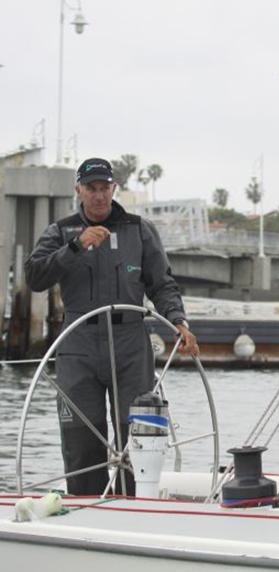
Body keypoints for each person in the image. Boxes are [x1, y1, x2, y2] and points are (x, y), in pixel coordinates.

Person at [25, 157, 199, 496]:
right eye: (92, 188)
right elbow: (35, 276)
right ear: (79, 191)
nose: (100, 195)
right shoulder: (61, 232)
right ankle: (84, 509)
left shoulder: (140, 229)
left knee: (138, 435)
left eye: (105, 188)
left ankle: (134, 506)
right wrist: (75, 247)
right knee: (81, 438)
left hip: (130, 342)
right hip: (79, 343)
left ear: (114, 189)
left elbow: (162, 283)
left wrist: (178, 321)